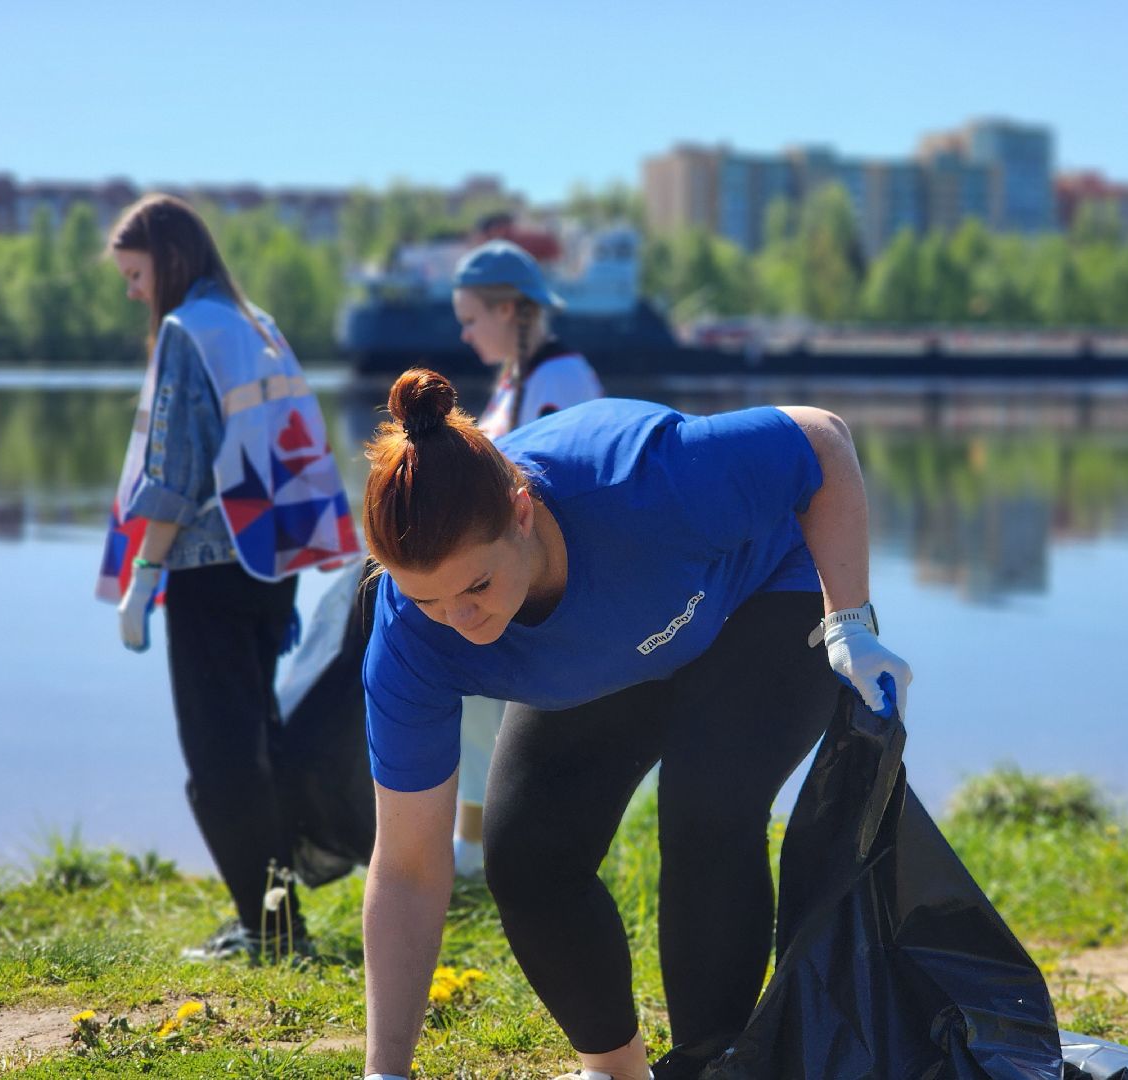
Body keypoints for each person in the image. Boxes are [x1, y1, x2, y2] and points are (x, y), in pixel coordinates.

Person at [357, 370, 911, 1080]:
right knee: (527, 858)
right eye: (428, 599)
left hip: (764, 594)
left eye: (476, 586)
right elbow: (407, 868)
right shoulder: (411, 639)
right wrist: (385, 1072)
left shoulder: (646, 481)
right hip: (626, 641)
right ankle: (618, 1071)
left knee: (707, 808)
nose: (460, 622)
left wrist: (851, 622)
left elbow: (821, 438)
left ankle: (713, 1066)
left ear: (521, 514)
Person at [97, 194, 359, 961]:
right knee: (258, 745)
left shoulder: (188, 332)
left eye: (135, 273)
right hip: (270, 563)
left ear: (168, 261)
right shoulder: (256, 324)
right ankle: (277, 922)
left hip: (211, 567)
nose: (132, 292)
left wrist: (145, 575)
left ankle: (272, 932)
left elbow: (174, 473)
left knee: (220, 760)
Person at [447, 239, 603, 880]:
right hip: (511, 580)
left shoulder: (560, 376)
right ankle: (477, 853)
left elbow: (558, 488)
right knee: (477, 715)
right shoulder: (520, 378)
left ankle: (490, 859)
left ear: (511, 310)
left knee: (493, 718)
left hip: (544, 591)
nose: (464, 333)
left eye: (472, 317)